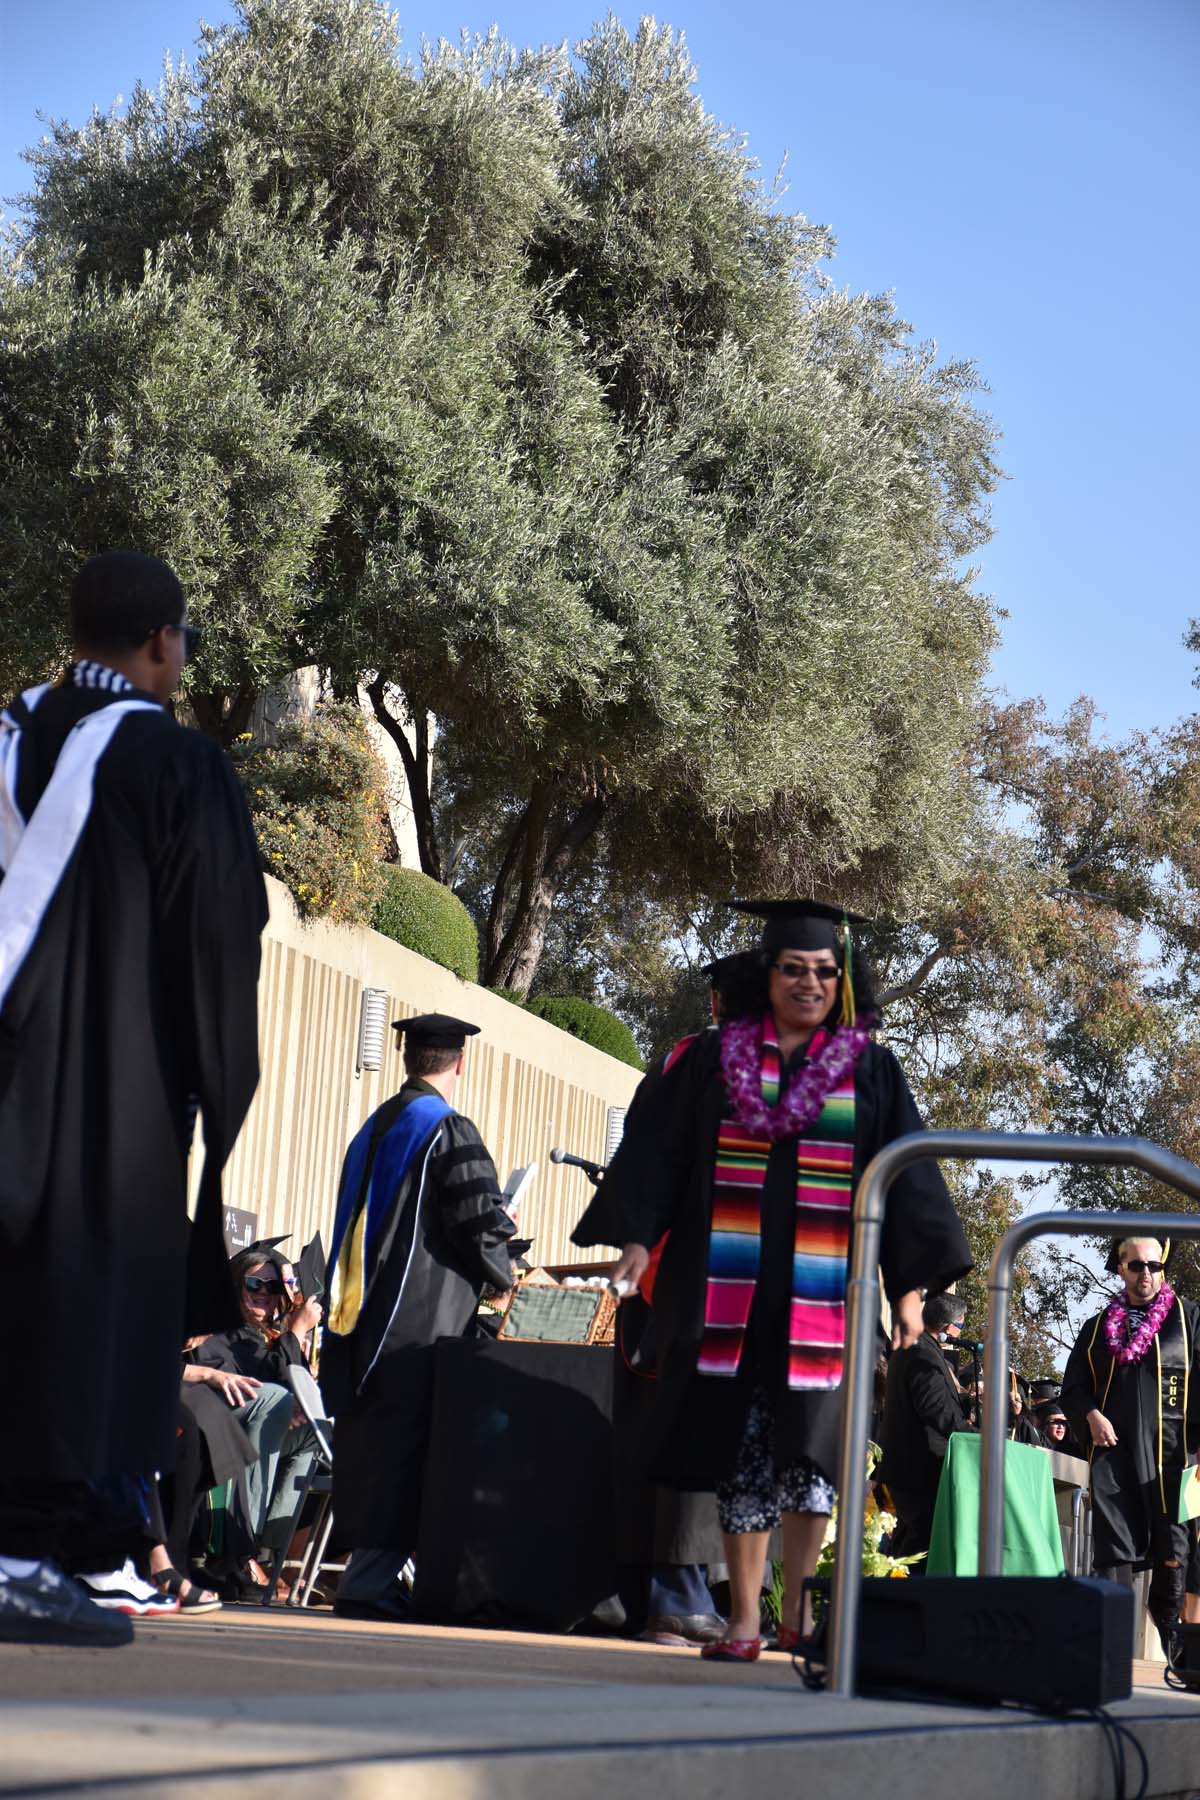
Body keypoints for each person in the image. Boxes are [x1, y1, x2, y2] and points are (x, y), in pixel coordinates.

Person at [573, 899, 972, 1662]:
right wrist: (634, 1237)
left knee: (812, 1458)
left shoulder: (869, 1069)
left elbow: (908, 1181)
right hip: (734, 1297)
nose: (809, 984)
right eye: (794, 970)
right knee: (742, 1456)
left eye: (824, 971)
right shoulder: (716, 1060)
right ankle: (746, 1620)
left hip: (825, 1299)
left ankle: (799, 1617)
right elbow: (659, 1153)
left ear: (840, 979)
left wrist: (909, 1292)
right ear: (770, 975)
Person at [0, 551, 267, 1646]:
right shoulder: (177, 765)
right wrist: (215, 1082)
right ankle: (23, 1553)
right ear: (163, 641)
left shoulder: (8, 737)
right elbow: (218, 945)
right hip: (108, 1107)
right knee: (78, 1314)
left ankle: (52, 1553)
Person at [321, 1013, 517, 1622]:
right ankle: (371, 1584)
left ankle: (368, 1577)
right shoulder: (446, 1128)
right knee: (404, 1451)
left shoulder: (373, 1128)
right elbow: (478, 1219)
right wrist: (506, 1270)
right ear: (460, 1063)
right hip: (416, 1322)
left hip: (358, 1321)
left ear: (407, 1058)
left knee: (377, 1448)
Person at [1061, 1236, 1200, 1653]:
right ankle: (1107, 1651)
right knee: (1113, 1553)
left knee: (1174, 1553)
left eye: (1154, 1266)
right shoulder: (1099, 1326)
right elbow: (1074, 1388)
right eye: (1136, 1265)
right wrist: (1091, 1416)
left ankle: (1178, 1648)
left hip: (1174, 1459)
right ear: (1120, 1268)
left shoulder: (1189, 1318)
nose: (1146, 1274)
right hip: (1116, 1457)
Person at [189, 1244, 323, 1591]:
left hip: (251, 1424)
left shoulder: (261, 1336)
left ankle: (268, 1550)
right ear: (236, 1285)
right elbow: (249, 1387)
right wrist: (295, 1335)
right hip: (208, 1423)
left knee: (315, 1431)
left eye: (273, 1287)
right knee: (275, 1400)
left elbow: (282, 1381)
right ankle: (240, 1547)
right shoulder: (219, 1329)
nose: (265, 1293)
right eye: (254, 1284)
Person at [879, 1293, 974, 1565]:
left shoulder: (914, 1348)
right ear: (948, 1327)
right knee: (920, 1547)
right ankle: (906, 1603)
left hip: (908, 1466)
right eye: (961, 1325)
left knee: (907, 1544)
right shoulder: (923, 1354)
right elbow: (935, 1409)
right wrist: (977, 1438)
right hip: (920, 1467)